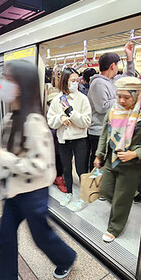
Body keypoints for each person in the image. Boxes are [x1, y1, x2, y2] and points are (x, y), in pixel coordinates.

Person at [0, 60, 76, 280]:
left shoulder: (35, 122)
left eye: (8, 79)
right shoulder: (11, 118)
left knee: (41, 235)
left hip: (33, 193)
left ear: (21, 86)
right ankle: (4, 277)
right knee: (5, 234)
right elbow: (9, 156)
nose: (2, 84)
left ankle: (66, 258)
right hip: (14, 190)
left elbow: (40, 166)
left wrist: (1, 156)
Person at [94, 77, 141, 243]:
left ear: (136, 95)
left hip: (131, 164)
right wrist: (99, 154)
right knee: (107, 191)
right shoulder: (113, 111)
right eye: (119, 96)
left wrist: (135, 153)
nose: (122, 100)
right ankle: (123, 203)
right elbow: (104, 135)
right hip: (111, 159)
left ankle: (114, 227)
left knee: (121, 198)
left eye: (126, 97)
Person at [87, 41, 136, 171]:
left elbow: (130, 76)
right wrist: (121, 99)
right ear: (113, 66)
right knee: (98, 163)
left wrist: (129, 57)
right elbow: (102, 107)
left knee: (108, 163)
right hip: (98, 131)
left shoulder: (113, 80)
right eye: (118, 64)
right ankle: (93, 189)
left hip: (112, 128)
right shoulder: (98, 83)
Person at [47, 67, 92, 206]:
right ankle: (69, 193)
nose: (75, 83)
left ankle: (84, 197)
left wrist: (71, 113)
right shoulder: (57, 100)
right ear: (65, 81)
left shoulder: (83, 99)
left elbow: (87, 121)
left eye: (77, 80)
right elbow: (50, 121)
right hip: (63, 140)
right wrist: (61, 118)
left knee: (81, 169)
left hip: (79, 139)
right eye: (72, 80)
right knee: (66, 168)